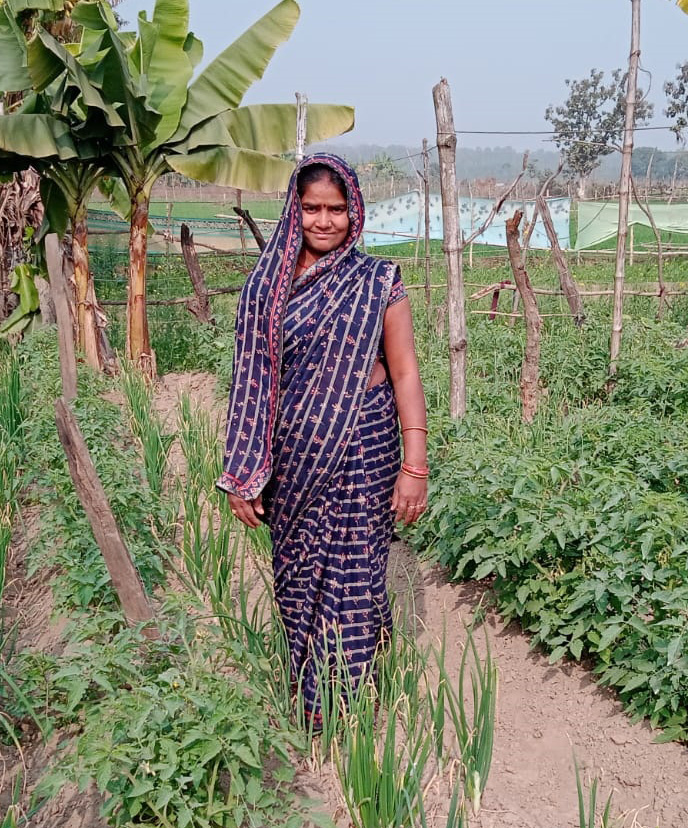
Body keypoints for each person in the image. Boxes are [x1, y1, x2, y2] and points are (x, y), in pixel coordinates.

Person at [217, 153, 427, 727]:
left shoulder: (378, 281)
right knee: (298, 578)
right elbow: (252, 382)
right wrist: (243, 472)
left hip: (363, 449)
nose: (325, 220)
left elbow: (405, 372)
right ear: (294, 210)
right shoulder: (267, 289)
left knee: (354, 573)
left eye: (336, 209)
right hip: (294, 460)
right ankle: (309, 684)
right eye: (312, 208)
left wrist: (415, 464)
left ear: (354, 211)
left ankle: (341, 706)